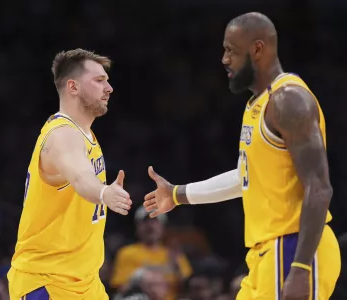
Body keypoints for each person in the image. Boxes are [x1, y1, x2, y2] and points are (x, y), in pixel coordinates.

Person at [144, 12, 340, 300]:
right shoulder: (257, 105)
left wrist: (299, 268)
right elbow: (246, 178)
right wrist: (177, 194)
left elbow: (320, 187)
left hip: (292, 248)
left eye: (231, 51)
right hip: (265, 254)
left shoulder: (289, 101)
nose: (224, 59)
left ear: (257, 49)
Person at [8, 48, 132, 300]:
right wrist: (103, 191)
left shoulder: (85, 134)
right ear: (73, 87)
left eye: (107, 80)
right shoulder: (62, 134)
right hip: (48, 281)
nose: (109, 88)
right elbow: (79, 176)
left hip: (86, 283)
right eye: (99, 80)